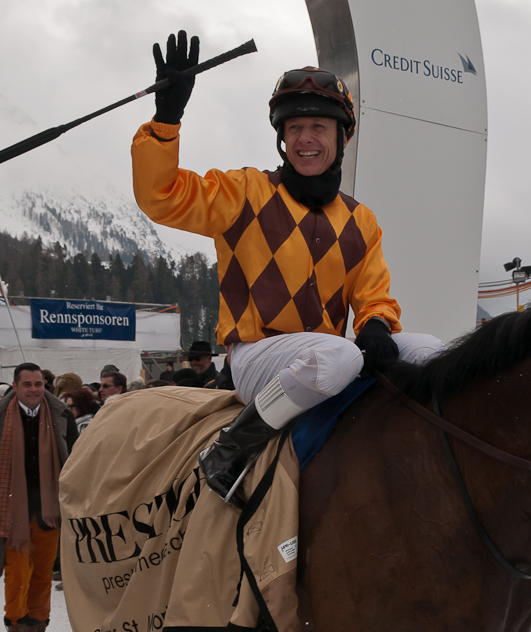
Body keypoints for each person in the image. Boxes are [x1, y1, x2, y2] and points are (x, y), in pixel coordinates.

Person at [131, 31, 445, 505]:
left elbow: (374, 296)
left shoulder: (361, 220)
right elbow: (162, 197)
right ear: (281, 139)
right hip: (259, 356)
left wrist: (377, 324)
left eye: (319, 126)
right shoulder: (245, 192)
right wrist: (166, 119)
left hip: (322, 358)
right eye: (294, 127)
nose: (305, 138)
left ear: (342, 137)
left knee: (431, 350)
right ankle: (232, 447)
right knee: (338, 356)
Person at [0, 363, 78, 631]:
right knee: (17, 573)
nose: (34, 389)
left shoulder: (61, 416)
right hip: (12, 511)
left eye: (38, 384)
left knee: (43, 573)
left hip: (49, 510)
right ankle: (15, 622)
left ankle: (38, 622)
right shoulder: (1, 417)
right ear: (15, 387)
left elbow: (74, 460)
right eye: (27, 384)